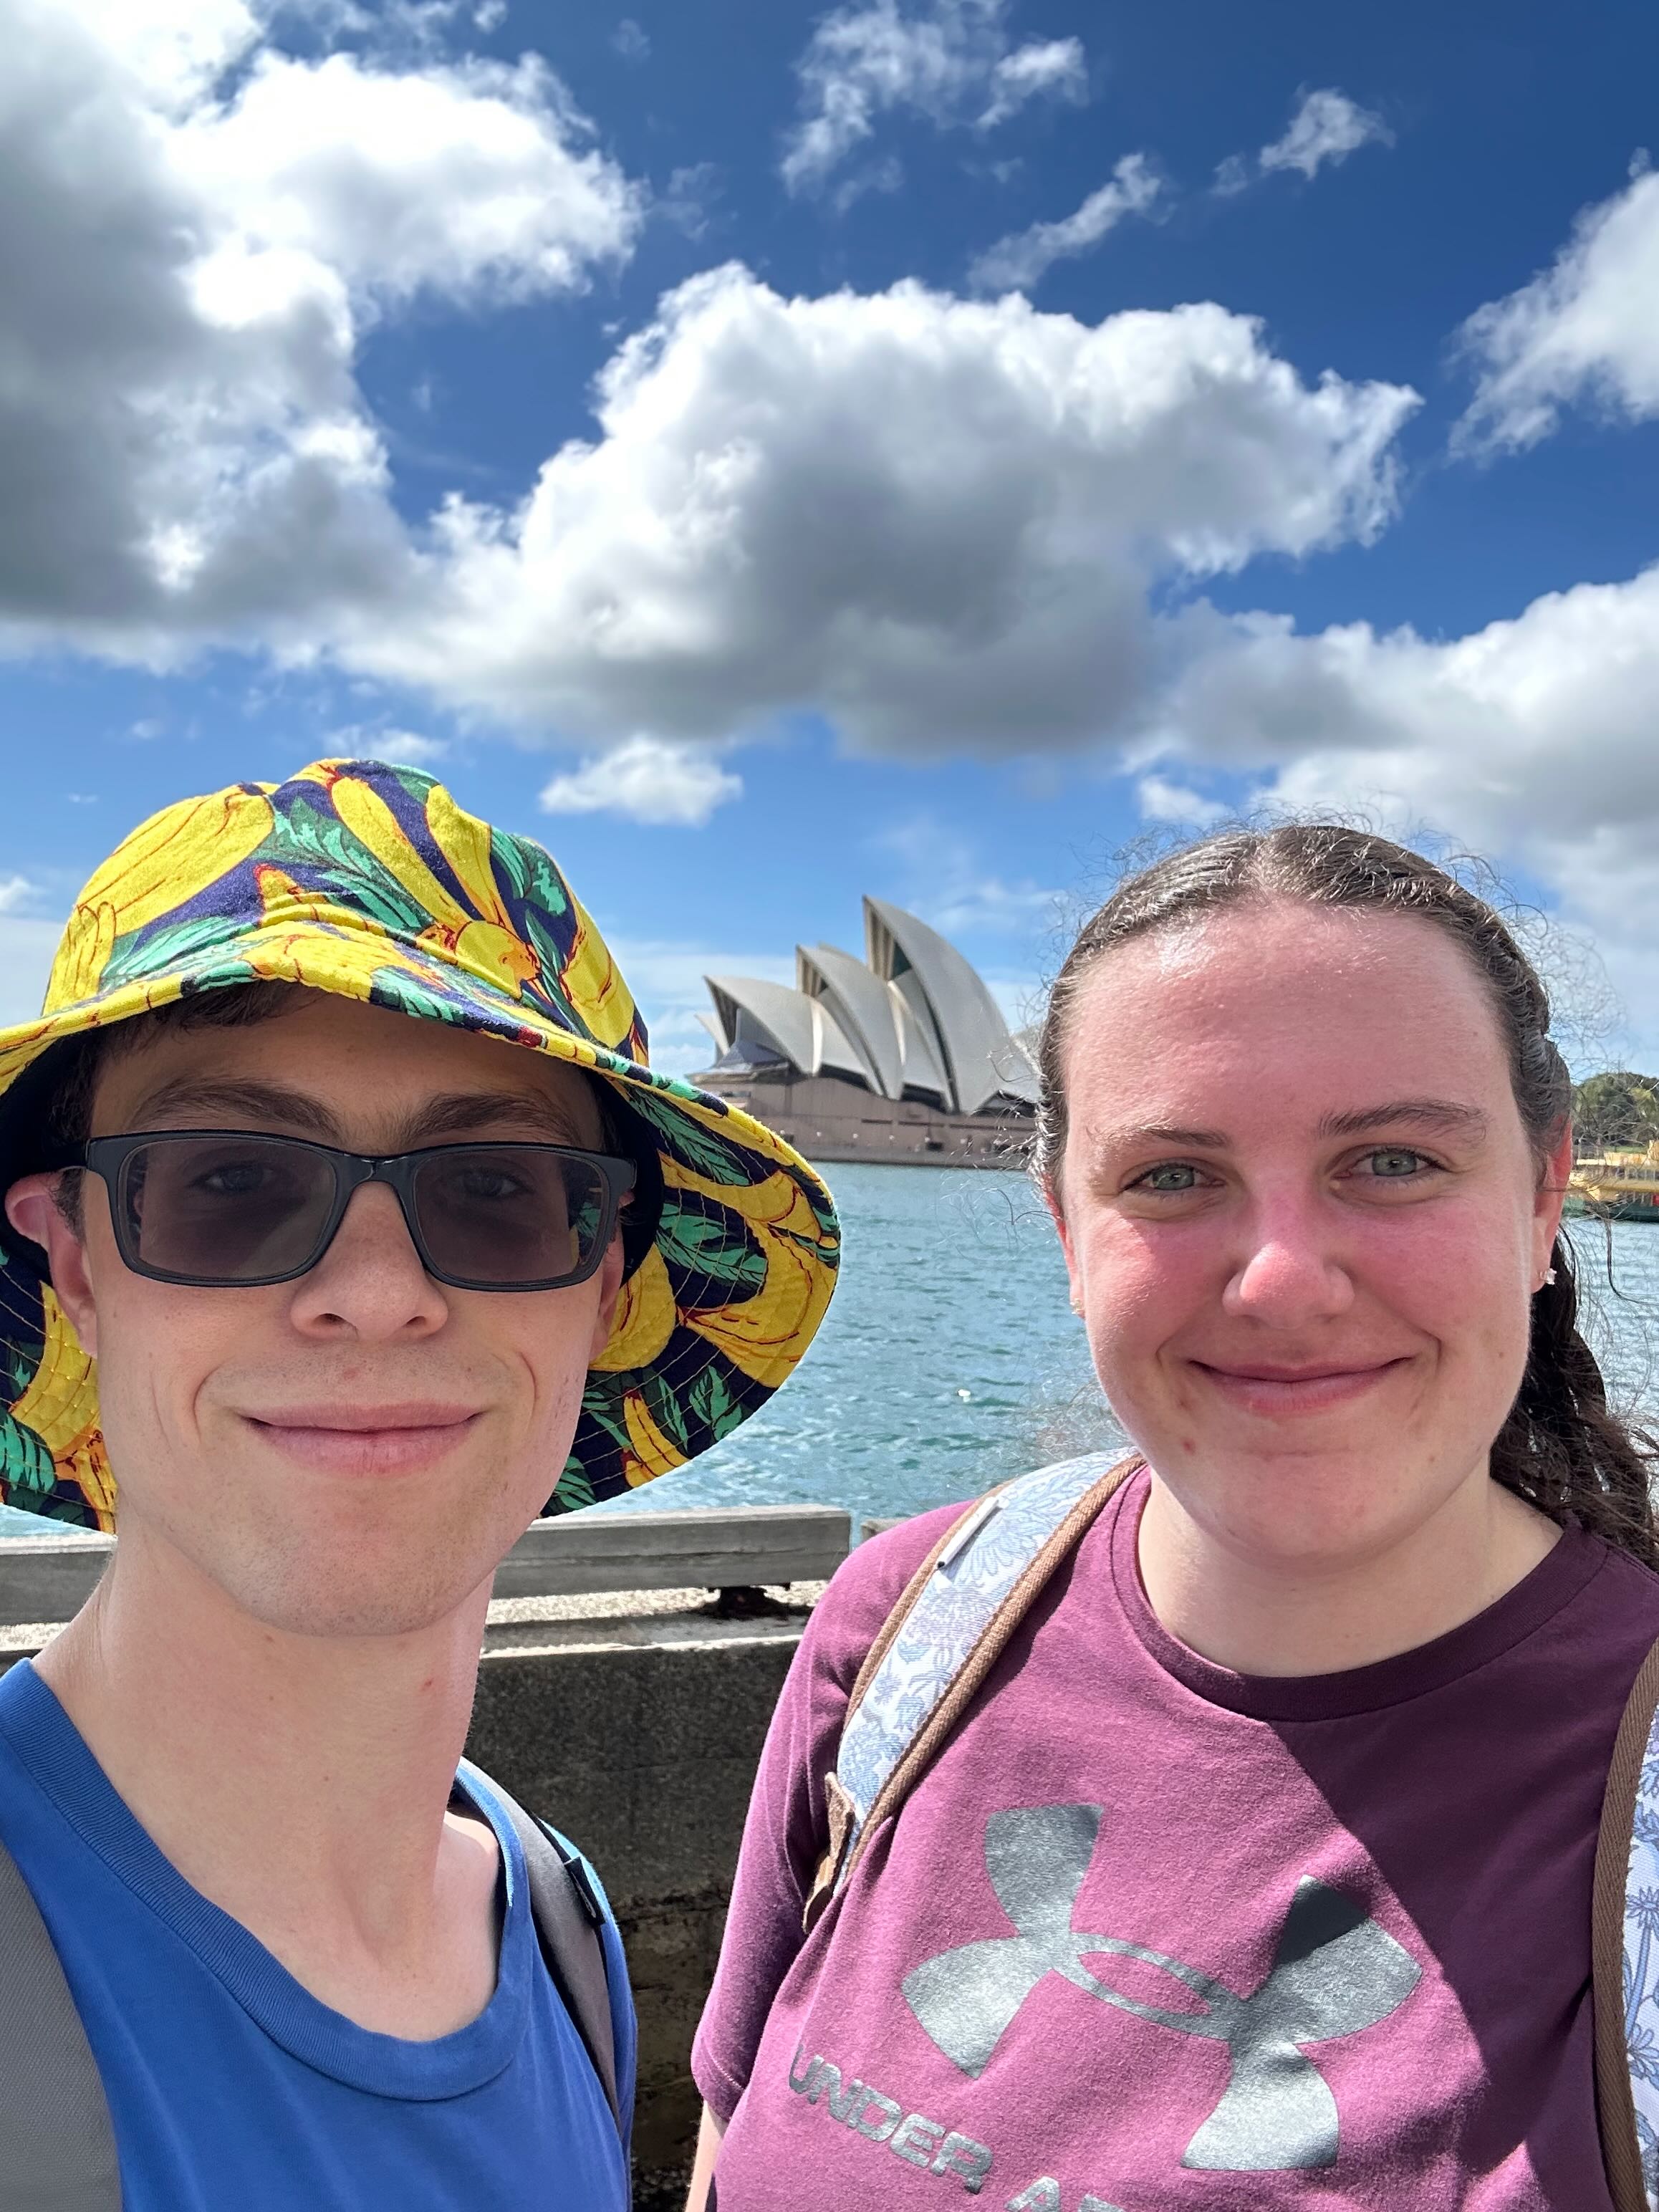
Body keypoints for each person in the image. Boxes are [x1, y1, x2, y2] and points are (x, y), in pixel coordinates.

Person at [686, 823, 1659, 2211]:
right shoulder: (907, 1625)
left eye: (1391, 1159)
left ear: (1546, 1189)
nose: (1279, 1280)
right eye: (1170, 1175)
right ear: (1065, 1226)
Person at [0, 756, 839, 2211]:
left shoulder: (558, 1927)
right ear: (76, 1264)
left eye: (495, 1189)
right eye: (228, 1180)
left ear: (606, 1285)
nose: (376, 1295)